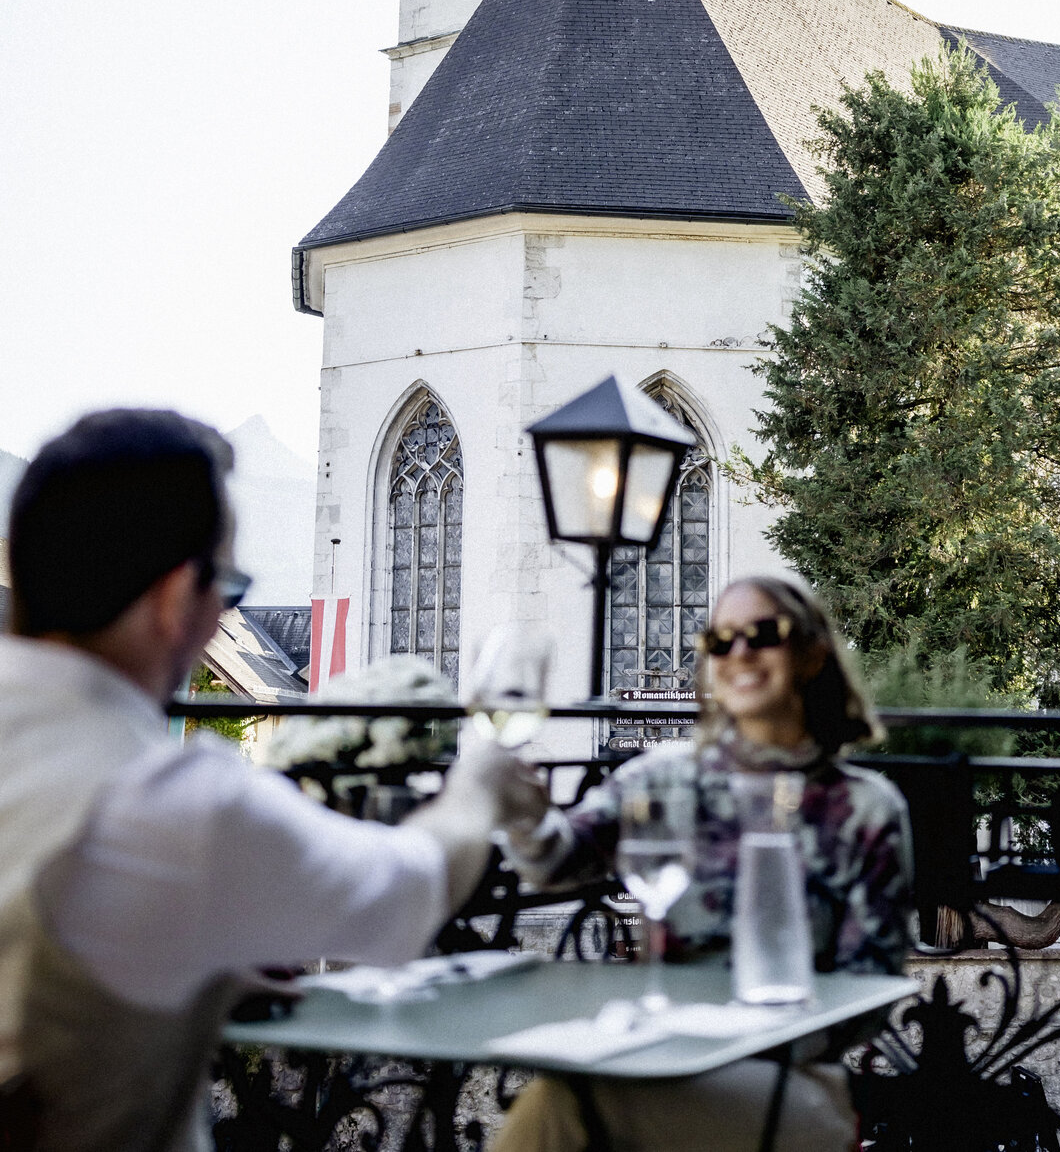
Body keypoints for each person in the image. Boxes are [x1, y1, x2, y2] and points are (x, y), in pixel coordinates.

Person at [0, 407, 545, 1152]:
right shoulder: (170, 799)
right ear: (175, 598)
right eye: (230, 587)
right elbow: (406, 888)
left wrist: (189, 967)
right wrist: (477, 784)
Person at [494, 575, 912, 1152]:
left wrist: (731, 1039)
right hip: (663, 1054)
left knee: (565, 1103)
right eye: (720, 640)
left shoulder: (867, 809)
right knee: (563, 1096)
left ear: (812, 654)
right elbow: (555, 863)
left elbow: (869, 992)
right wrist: (520, 811)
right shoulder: (661, 778)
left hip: (792, 1079)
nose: (739, 652)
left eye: (762, 634)